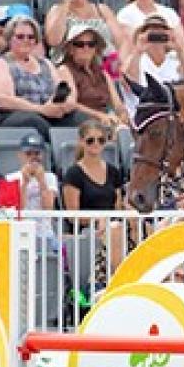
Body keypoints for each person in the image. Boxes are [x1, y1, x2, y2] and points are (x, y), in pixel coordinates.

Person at [0, 16, 85, 141]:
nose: (26, 40)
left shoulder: (45, 63)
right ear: (10, 39)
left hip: (46, 113)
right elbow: (2, 100)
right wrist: (41, 109)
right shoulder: (0, 63)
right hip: (9, 116)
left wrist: (59, 105)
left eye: (31, 37)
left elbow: (61, 89)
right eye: (20, 36)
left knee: (80, 119)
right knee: (34, 122)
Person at [62, 120, 126, 283]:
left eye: (101, 140)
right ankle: (121, 279)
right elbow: (72, 215)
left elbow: (118, 206)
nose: (96, 144)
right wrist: (98, 219)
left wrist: (109, 220)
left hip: (112, 225)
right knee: (114, 231)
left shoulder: (113, 172)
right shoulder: (73, 174)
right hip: (87, 229)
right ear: (81, 141)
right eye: (90, 140)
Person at [56, 24, 129, 129]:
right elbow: (70, 103)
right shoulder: (64, 70)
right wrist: (99, 116)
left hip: (107, 119)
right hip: (81, 122)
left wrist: (123, 115)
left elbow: (117, 104)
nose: (86, 48)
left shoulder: (103, 73)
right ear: (71, 49)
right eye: (79, 44)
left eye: (91, 44)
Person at [122, 14, 184, 118]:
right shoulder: (135, 60)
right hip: (144, 116)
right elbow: (127, 83)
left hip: (173, 116)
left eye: (161, 31)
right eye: (151, 31)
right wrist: (138, 50)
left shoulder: (177, 60)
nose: (156, 34)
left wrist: (179, 49)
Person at [44, 0, 129, 76]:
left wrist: (120, 66)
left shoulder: (102, 9)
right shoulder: (57, 10)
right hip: (71, 70)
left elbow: (122, 42)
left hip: (106, 69)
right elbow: (53, 41)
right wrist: (66, 4)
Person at [6, 133, 60, 251]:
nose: (33, 157)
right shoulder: (9, 178)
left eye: (37, 153)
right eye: (28, 154)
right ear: (20, 155)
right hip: (19, 232)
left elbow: (48, 207)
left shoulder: (50, 177)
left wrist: (42, 182)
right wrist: (24, 183)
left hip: (44, 233)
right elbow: (17, 208)